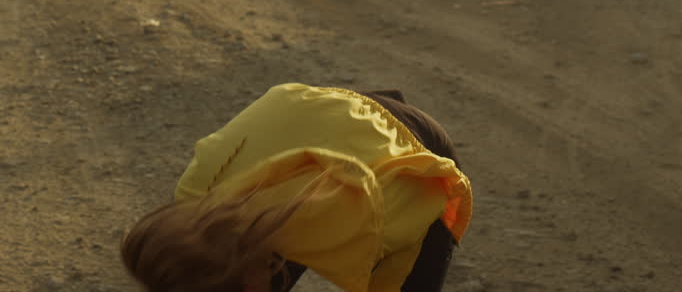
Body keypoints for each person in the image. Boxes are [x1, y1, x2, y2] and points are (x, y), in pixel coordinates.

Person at [120, 83, 472, 292]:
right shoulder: (194, 200)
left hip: (412, 141)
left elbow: (441, 187)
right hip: (328, 111)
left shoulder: (355, 221)